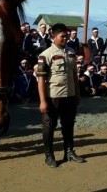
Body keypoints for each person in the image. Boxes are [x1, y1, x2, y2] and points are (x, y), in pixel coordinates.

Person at [36, 23, 86, 168]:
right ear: (53, 37)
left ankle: (69, 152)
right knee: (49, 126)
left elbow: (74, 76)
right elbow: (41, 79)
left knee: (68, 125)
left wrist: (77, 93)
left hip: (69, 95)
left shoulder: (71, 52)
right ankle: (49, 155)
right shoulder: (45, 55)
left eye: (67, 36)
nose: (66, 38)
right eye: (62, 36)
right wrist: (42, 101)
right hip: (53, 96)